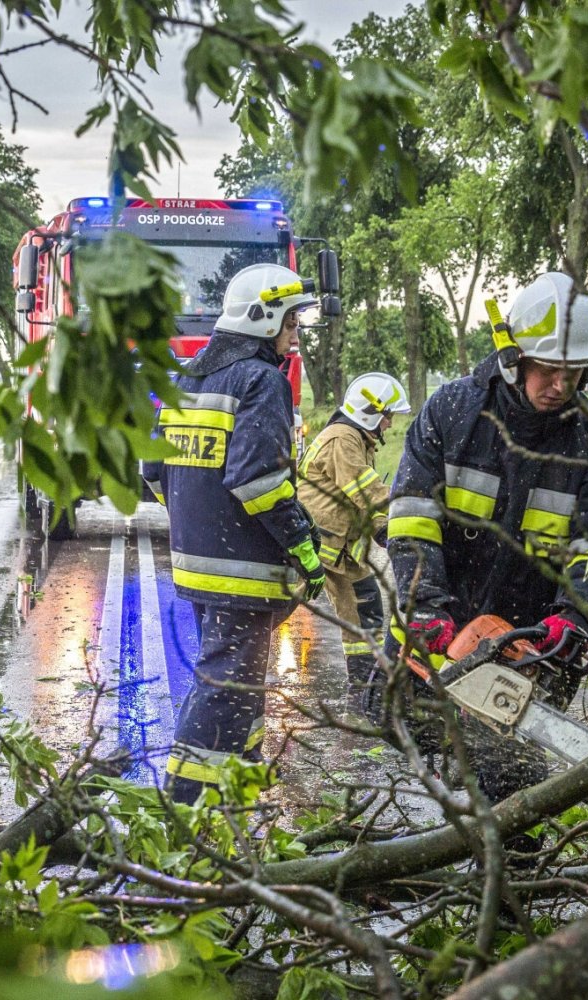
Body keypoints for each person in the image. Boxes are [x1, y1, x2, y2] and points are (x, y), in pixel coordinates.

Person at [380, 271, 588, 806]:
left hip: (533, 629)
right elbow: (411, 517)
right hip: (445, 608)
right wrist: (425, 607)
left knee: (512, 770)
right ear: (514, 356)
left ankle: (508, 871)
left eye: (574, 373)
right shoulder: (454, 413)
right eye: (548, 369)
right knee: (400, 725)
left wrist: (573, 617)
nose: (561, 386)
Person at [141, 263, 325, 805]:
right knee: (226, 686)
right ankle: (185, 807)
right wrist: (303, 546)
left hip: (195, 563)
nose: (295, 335)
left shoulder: (188, 377)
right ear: (265, 318)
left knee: (238, 685)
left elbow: (153, 473)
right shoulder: (261, 380)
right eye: (291, 323)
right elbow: (259, 481)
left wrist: (195, 522)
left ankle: (236, 791)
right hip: (245, 568)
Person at [298, 372, 410, 696]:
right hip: (320, 545)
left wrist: (387, 531)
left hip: (341, 550)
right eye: (387, 416)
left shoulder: (358, 439)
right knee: (276, 605)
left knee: (366, 609)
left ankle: (365, 685)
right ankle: (238, 654)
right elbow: (365, 490)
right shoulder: (343, 439)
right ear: (370, 413)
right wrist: (405, 514)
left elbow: (366, 505)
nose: (389, 423)